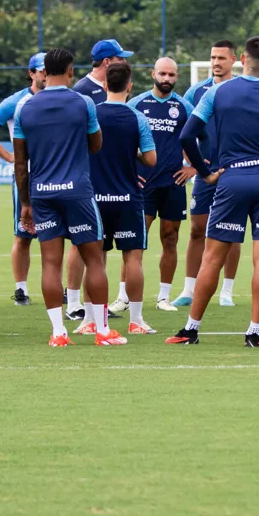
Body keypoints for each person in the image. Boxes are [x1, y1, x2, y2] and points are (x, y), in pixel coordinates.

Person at [169, 36, 259, 347]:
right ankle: (254, 331)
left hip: (231, 178)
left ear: (241, 60)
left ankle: (191, 328)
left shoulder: (218, 92)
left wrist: (207, 173)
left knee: (212, 257)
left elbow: (186, 136)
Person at [14, 47, 126, 347]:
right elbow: (96, 145)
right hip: (77, 191)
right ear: (70, 70)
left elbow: (20, 164)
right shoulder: (83, 102)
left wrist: (25, 203)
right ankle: (102, 331)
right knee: (94, 260)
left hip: (41, 193)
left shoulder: (25, 107)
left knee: (50, 263)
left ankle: (58, 333)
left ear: (44, 71)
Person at [64, 38, 132, 321]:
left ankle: (95, 305)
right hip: (87, 178)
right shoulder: (83, 91)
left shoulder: (107, 89)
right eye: (120, 58)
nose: (124, 63)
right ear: (107, 62)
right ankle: (73, 303)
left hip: (106, 177)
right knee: (80, 241)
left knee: (97, 244)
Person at [171, 41, 242, 309]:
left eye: (222, 58)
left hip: (235, 172)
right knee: (197, 229)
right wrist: (193, 165)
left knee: (231, 231)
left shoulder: (240, 89)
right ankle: (189, 289)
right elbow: (184, 133)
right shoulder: (195, 92)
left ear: (233, 59)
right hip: (204, 174)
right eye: (213, 57)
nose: (216, 62)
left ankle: (227, 291)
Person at [91, 62, 157, 333]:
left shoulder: (92, 114)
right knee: (133, 258)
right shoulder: (137, 117)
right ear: (130, 86)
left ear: (105, 84)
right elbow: (151, 159)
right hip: (128, 198)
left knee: (96, 259)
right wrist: (134, 155)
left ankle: (93, 320)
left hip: (95, 198)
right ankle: (136, 320)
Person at [128, 57, 195, 311]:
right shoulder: (136, 104)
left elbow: (199, 140)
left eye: (171, 75)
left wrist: (194, 167)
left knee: (171, 238)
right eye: (162, 74)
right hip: (143, 184)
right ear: (152, 74)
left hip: (173, 183)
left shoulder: (184, 107)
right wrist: (130, 172)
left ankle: (163, 297)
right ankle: (124, 296)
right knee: (135, 240)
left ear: (176, 77)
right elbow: (124, 142)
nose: (166, 79)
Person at [0, 52, 47, 306]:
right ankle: (21, 289)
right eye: (41, 70)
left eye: (49, 69)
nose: (45, 74)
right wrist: (7, 156)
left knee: (56, 235)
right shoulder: (16, 101)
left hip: (55, 173)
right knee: (23, 233)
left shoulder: (57, 97)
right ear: (31, 73)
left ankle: (56, 287)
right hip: (27, 174)